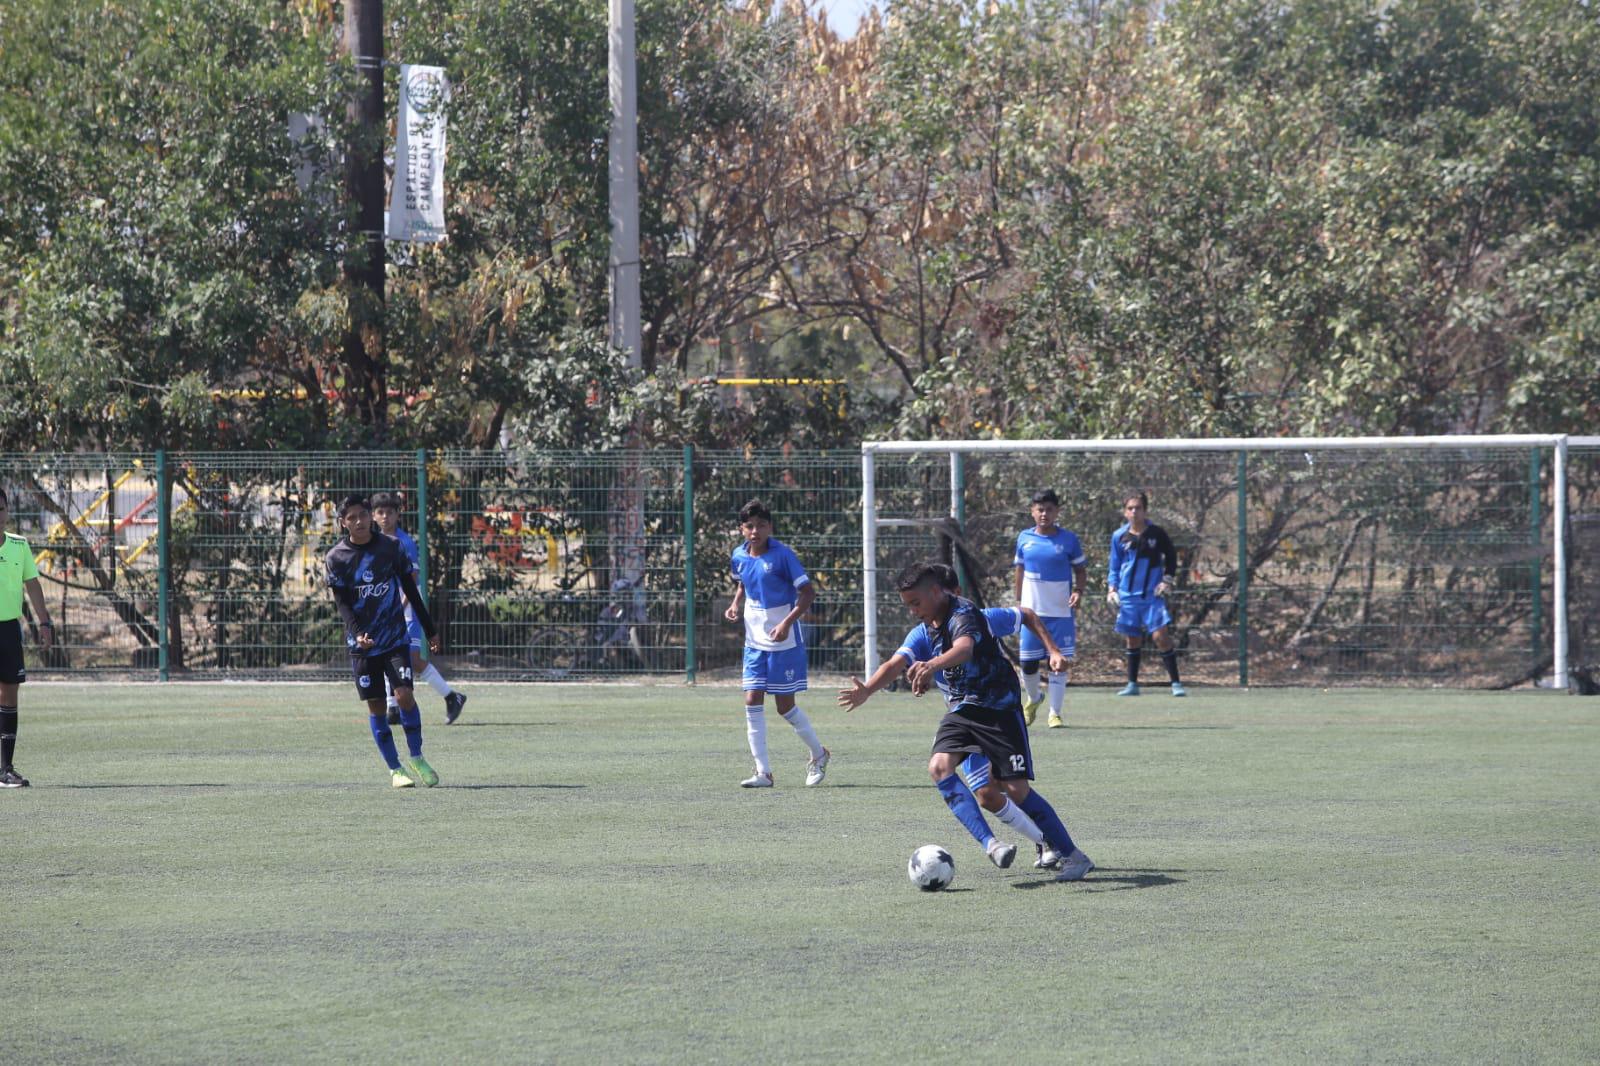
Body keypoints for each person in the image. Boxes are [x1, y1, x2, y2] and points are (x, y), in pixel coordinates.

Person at [840, 561, 1094, 882]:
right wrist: (868, 690)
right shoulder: (924, 629)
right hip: (963, 710)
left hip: (999, 708)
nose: (912, 611)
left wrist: (931, 666)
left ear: (936, 592)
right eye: (907, 605)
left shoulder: (965, 614)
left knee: (1015, 789)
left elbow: (964, 648)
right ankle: (992, 844)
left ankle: (1072, 855)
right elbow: (895, 663)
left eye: (916, 603)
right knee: (940, 768)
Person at [325, 494, 443, 788]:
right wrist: (357, 633)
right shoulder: (336, 558)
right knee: (377, 706)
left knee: (404, 695)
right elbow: (342, 603)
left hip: (394, 638)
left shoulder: (390, 548)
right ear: (343, 523)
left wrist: (430, 629)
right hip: (362, 646)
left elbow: (411, 590)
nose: (359, 521)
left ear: (370, 517)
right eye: (351, 517)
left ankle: (417, 756)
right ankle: (395, 769)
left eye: (362, 515)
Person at [724, 499, 829, 788]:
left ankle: (819, 755)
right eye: (749, 526)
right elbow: (743, 581)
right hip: (753, 641)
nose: (755, 531)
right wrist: (735, 604)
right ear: (741, 529)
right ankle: (763, 773)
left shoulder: (783, 556)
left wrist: (786, 623)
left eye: (761, 525)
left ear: (770, 527)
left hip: (783, 642)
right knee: (751, 699)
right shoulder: (739, 555)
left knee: (785, 707)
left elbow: (807, 593)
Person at [369, 492, 467, 726]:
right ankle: (393, 708)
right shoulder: (374, 542)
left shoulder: (404, 542)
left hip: (408, 606)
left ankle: (452, 696)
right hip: (387, 605)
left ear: (398, 514)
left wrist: (399, 607)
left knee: (411, 658)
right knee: (384, 652)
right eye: (380, 512)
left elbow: (410, 580)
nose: (385, 517)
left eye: (390, 512)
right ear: (373, 515)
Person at [1013, 489, 1087, 729]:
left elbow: (1080, 570)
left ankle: (1055, 713)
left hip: (1060, 613)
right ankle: (1034, 699)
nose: (1044, 514)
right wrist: (1017, 600)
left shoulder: (1068, 540)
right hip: (1031, 613)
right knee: (1028, 664)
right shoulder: (1024, 538)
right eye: (1040, 509)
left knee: (1059, 663)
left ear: (1057, 511)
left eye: (1049, 509)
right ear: (1032, 511)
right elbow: (1019, 570)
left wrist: (1078, 591)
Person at [0, 488, 55, 788]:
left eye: (1, 509)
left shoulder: (19, 546)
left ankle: (5, 769)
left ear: (7, 512)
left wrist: (44, 622)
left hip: (8, 629)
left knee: (9, 695)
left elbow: (33, 586)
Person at [1107, 490, 1186, 697]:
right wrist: (1112, 588)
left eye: (1138, 508)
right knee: (1132, 639)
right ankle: (1132, 684)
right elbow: (1114, 565)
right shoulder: (1119, 536)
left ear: (1145, 510)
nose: (1134, 512)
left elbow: (1171, 557)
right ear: (1125, 512)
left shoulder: (1156, 533)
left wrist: (1166, 580)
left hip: (1152, 597)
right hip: (1128, 596)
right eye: (1130, 508)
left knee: (1161, 636)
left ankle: (1176, 683)